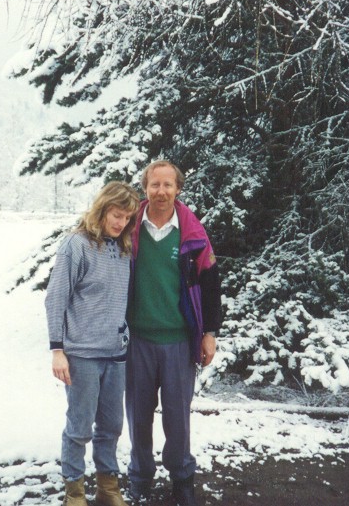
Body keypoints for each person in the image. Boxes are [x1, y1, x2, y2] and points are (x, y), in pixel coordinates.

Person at [125, 161, 223, 506]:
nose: (161, 191)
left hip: (179, 341)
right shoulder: (130, 227)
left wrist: (209, 333)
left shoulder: (192, 232)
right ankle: (140, 477)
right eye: (155, 184)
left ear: (178, 189)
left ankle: (182, 478)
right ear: (145, 187)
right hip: (137, 339)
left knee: (178, 418)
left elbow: (211, 284)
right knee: (138, 416)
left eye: (168, 185)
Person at [46, 181, 141, 506]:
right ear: (102, 209)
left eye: (127, 218)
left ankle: (107, 488)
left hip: (116, 354)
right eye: (116, 215)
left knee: (111, 427)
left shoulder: (124, 248)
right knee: (79, 428)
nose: (121, 223)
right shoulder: (76, 245)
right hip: (82, 355)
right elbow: (55, 298)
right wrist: (57, 350)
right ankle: (74, 492)